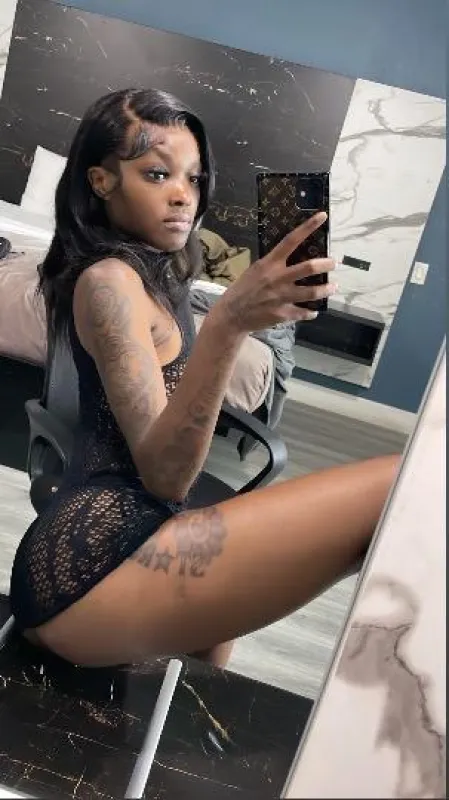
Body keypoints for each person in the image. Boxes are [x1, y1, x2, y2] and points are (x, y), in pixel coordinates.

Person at [10, 88, 399, 669]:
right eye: (157, 173)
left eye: (193, 179)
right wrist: (227, 324)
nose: (182, 195)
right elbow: (165, 477)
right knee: (398, 486)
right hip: (89, 569)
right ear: (101, 181)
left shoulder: (156, 271)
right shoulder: (109, 281)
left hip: (125, 539)